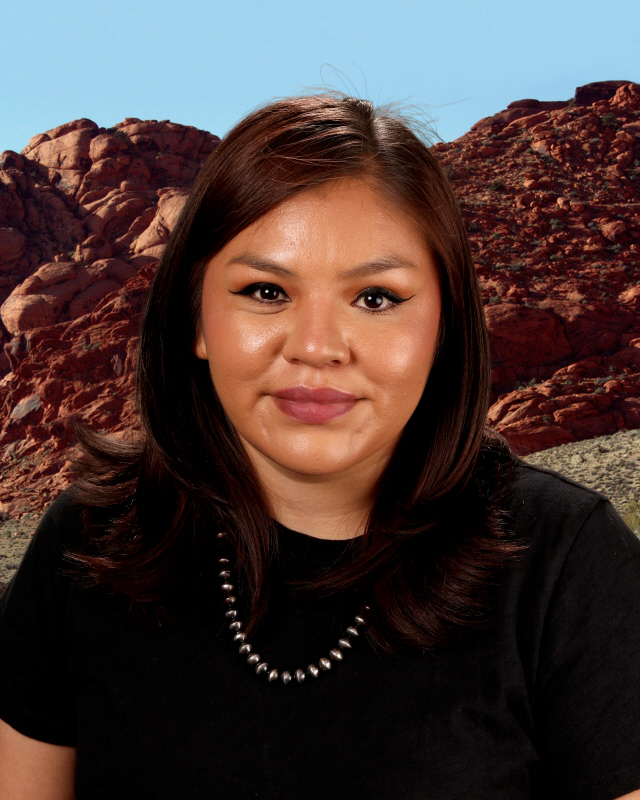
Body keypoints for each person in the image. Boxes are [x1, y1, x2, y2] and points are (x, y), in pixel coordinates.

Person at [0, 92, 639, 800]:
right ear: (196, 319)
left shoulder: (567, 561)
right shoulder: (89, 544)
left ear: (445, 325)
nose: (316, 347)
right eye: (265, 291)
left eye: (375, 299)